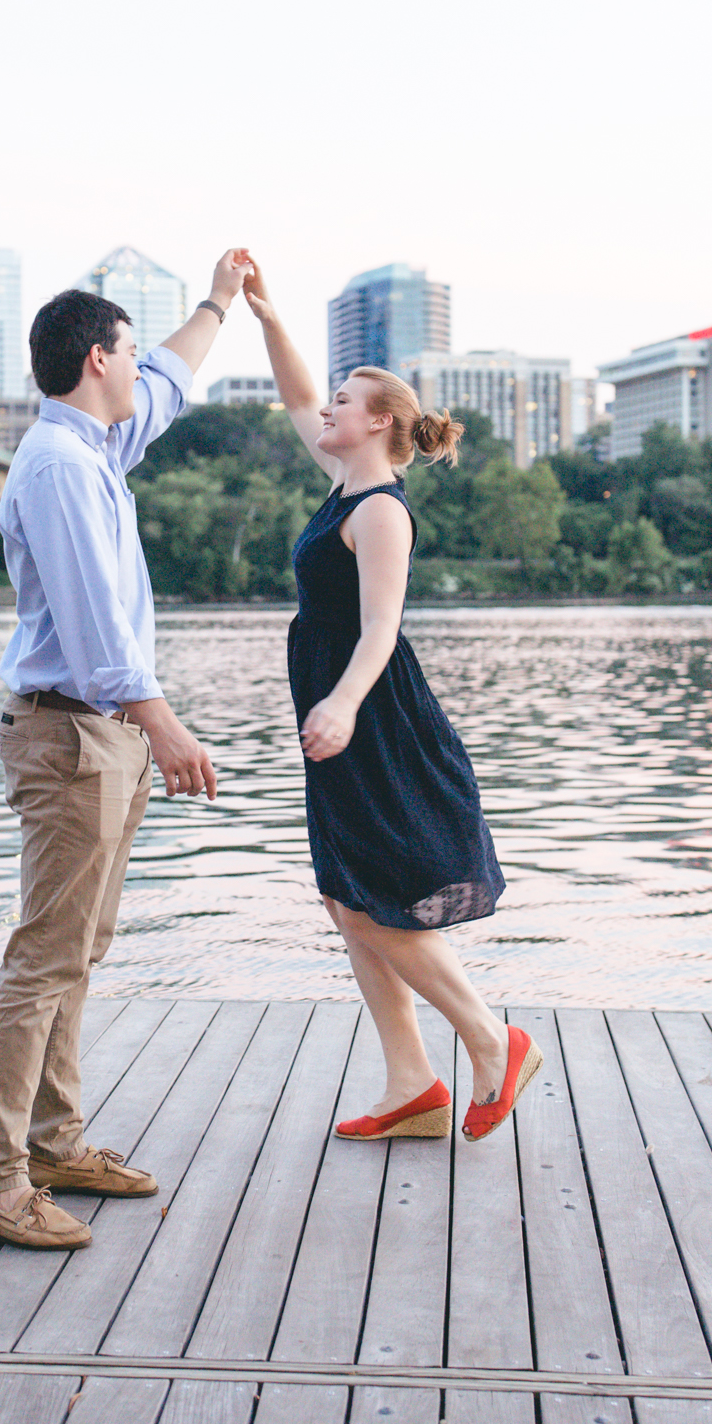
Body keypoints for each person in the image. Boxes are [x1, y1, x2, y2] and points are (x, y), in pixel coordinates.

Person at [0, 249, 253, 1251]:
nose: (139, 368)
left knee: (80, 947)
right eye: (127, 351)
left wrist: (218, 299)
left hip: (101, 736)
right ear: (95, 358)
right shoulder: (59, 469)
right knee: (44, 958)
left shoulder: (94, 451)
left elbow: (169, 377)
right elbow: (93, 629)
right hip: (75, 734)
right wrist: (165, 725)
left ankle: (53, 1142)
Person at [244, 260, 541, 1142]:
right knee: (344, 898)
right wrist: (265, 314)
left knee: (372, 897)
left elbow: (381, 628)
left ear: (379, 422)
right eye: (330, 400)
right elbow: (298, 392)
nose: (325, 409)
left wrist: (337, 706)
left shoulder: (378, 509)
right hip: (338, 712)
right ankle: (411, 1082)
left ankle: (492, 1040)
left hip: (369, 716)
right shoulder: (341, 481)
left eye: (345, 400)